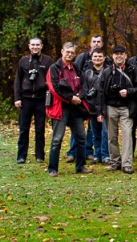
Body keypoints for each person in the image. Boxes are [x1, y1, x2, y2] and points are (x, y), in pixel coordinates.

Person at [45, 42, 92, 177]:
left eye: (72, 52)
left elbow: (84, 86)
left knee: (81, 138)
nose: (70, 54)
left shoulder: (77, 68)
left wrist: (80, 97)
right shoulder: (55, 68)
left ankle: (80, 166)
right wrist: (70, 98)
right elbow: (54, 88)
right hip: (61, 107)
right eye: (68, 52)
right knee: (57, 139)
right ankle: (52, 169)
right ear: (62, 51)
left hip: (76, 108)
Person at [67, 34, 112, 164]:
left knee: (102, 132)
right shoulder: (82, 59)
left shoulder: (108, 63)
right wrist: (77, 97)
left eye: (99, 41)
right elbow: (77, 77)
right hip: (88, 103)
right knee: (81, 129)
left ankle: (100, 154)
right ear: (90, 43)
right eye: (94, 41)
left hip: (104, 104)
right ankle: (73, 152)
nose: (96, 43)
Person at [98, 46, 137, 174]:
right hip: (110, 107)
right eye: (116, 54)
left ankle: (127, 164)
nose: (119, 56)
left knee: (127, 134)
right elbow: (101, 92)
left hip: (126, 108)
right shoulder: (106, 72)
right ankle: (115, 162)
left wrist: (128, 92)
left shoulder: (132, 70)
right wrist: (100, 111)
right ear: (112, 56)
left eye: (121, 54)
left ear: (125, 56)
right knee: (111, 136)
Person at [14, 37, 54, 164]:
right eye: (33, 45)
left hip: (41, 99)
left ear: (42, 46)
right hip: (26, 99)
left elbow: (52, 80)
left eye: (37, 45)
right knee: (24, 129)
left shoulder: (48, 60)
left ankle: (40, 155)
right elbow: (17, 80)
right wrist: (17, 98)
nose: (35, 47)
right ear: (29, 46)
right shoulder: (23, 61)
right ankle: (21, 156)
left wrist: (50, 99)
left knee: (40, 128)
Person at [83, 49, 107, 165]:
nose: (97, 58)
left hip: (105, 108)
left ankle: (105, 155)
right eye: (95, 56)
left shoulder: (108, 71)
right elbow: (85, 89)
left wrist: (102, 111)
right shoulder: (87, 73)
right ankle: (97, 155)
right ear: (92, 58)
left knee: (105, 133)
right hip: (91, 108)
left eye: (100, 56)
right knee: (95, 134)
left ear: (104, 58)